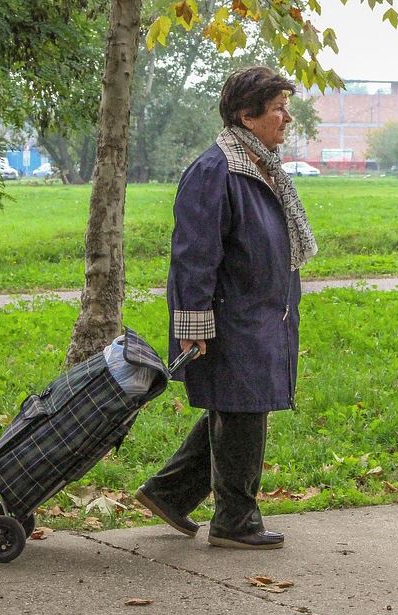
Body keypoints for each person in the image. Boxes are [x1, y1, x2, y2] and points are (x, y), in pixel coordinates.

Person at [134, 66, 317, 550]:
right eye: (278, 108)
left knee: (235, 406)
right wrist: (192, 324)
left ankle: (168, 493)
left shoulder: (259, 164)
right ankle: (235, 521)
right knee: (243, 408)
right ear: (247, 114)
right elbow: (193, 254)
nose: (287, 117)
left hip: (258, 312)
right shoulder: (216, 170)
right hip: (231, 315)